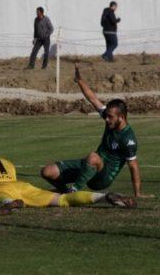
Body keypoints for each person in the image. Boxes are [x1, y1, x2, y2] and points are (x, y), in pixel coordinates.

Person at [41, 65, 152, 201]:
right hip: (91, 166)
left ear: (121, 117)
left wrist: (138, 193)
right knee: (47, 171)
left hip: (103, 177)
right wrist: (79, 81)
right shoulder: (110, 119)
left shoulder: (129, 139)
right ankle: (64, 192)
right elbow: (93, 99)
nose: (106, 118)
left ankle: (74, 190)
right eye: (107, 115)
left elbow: (133, 167)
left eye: (110, 116)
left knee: (93, 157)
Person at [0, 143, 135, 216]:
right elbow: (11, 179)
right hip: (23, 186)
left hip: (0, 189)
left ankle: (6, 203)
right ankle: (103, 197)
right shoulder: (6, 161)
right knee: (62, 199)